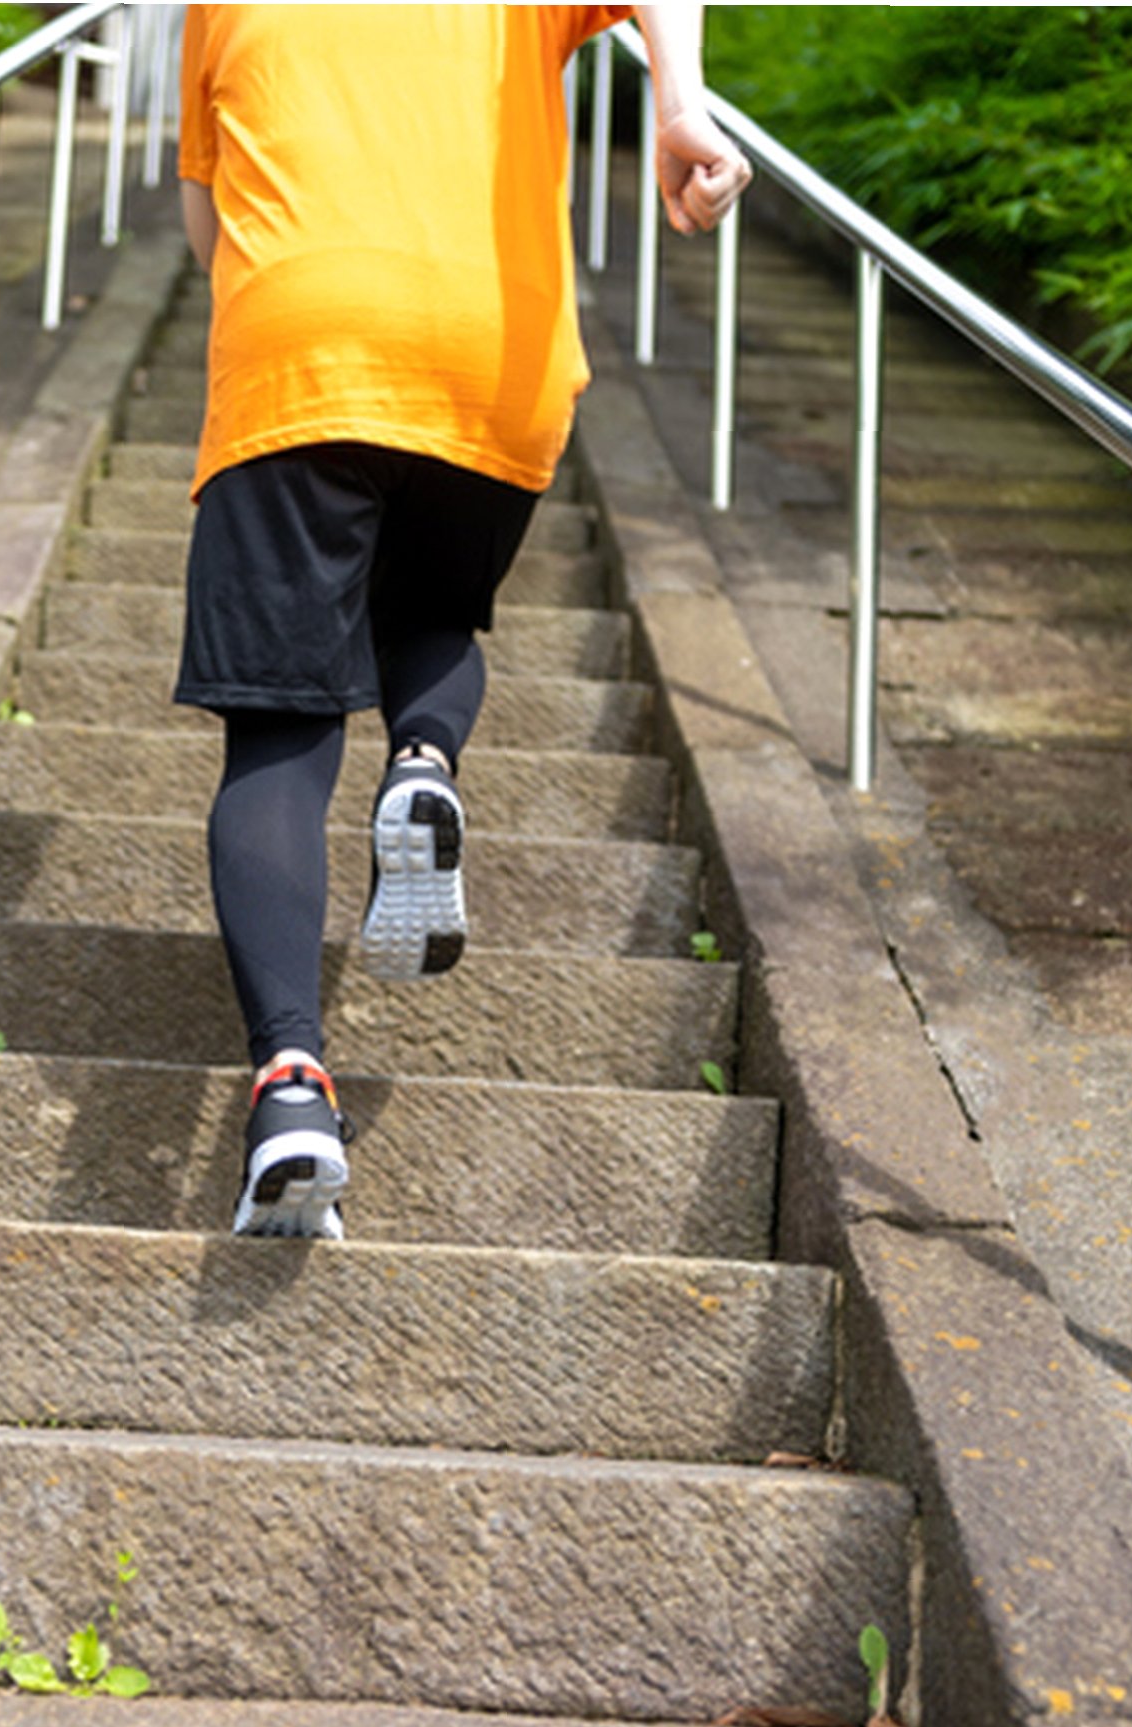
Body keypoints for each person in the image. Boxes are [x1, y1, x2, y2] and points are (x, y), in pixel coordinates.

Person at [171, 2, 750, 1237]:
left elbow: (202, 215)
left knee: (279, 731)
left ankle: (289, 1088)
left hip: (302, 339)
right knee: (430, 613)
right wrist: (680, 104)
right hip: (491, 353)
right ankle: (422, 763)